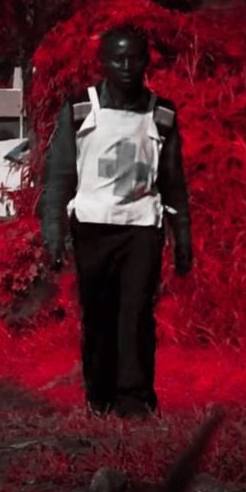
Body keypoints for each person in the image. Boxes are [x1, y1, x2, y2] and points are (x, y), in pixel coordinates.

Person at [39, 25, 192, 419]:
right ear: (103, 62)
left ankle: (135, 398)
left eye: (134, 57)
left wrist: (183, 236)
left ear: (146, 61)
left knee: (137, 313)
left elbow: (173, 182)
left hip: (142, 226)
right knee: (98, 313)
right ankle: (99, 397)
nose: (126, 65)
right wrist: (53, 231)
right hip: (92, 226)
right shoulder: (80, 109)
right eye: (117, 58)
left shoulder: (163, 114)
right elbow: (58, 176)